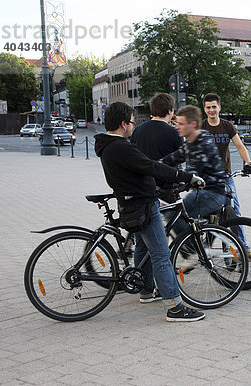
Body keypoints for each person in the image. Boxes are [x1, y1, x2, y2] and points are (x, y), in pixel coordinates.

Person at [94, 101, 205, 322]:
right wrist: (186, 177)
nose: (134, 126)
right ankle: (175, 307)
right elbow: (151, 167)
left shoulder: (107, 145)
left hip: (131, 204)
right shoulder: (121, 147)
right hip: (142, 206)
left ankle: (145, 290)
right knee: (161, 256)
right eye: (133, 122)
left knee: (143, 248)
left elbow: (138, 172)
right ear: (124, 124)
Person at [201, 93, 251, 258]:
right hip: (207, 177)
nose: (212, 110)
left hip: (225, 175)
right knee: (205, 214)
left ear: (219, 107)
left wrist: (248, 163)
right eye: (208, 107)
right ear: (204, 109)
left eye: (214, 107)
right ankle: (202, 247)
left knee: (235, 210)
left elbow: (239, 145)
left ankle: (244, 247)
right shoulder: (201, 127)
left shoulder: (227, 126)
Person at [161, 105, 228, 223]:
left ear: (192, 124)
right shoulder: (191, 143)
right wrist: (150, 168)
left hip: (211, 194)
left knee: (174, 217)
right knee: (176, 213)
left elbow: (193, 174)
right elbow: (170, 160)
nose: (176, 127)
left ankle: (190, 242)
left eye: (181, 124)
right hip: (204, 193)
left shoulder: (203, 144)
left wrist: (179, 178)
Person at [131, 93, 183, 204]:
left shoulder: (138, 130)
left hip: (144, 186)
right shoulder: (174, 133)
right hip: (167, 186)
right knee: (177, 219)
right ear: (169, 111)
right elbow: (182, 155)